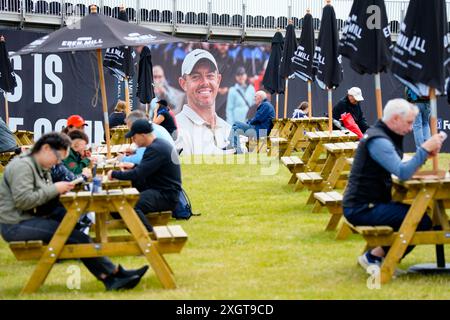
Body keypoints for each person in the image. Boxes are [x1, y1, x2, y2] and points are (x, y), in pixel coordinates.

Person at [0, 132, 148, 291]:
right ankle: (112, 275)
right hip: (15, 225)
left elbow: (39, 198)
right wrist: (55, 189)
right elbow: (23, 200)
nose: (57, 163)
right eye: (57, 159)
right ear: (46, 148)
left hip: (29, 219)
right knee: (75, 236)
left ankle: (113, 275)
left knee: (78, 234)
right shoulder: (22, 167)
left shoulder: (38, 166)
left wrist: (60, 191)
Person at [342, 99, 444, 273]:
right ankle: (375, 257)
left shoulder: (379, 135)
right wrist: (424, 150)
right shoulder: (379, 141)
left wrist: (423, 156)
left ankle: (376, 256)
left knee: (416, 215)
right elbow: (403, 173)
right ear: (396, 119)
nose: (411, 128)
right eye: (409, 122)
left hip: (363, 204)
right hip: (363, 208)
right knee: (420, 220)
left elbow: (399, 169)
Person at [107, 119, 182, 232]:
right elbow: (145, 170)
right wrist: (133, 167)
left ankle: (150, 238)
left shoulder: (156, 148)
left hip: (166, 195)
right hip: (161, 190)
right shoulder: (158, 144)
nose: (133, 140)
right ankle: (140, 237)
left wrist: (114, 173)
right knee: (118, 206)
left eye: (134, 137)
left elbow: (138, 175)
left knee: (128, 206)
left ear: (142, 135)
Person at [176, 49, 231, 155]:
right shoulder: (174, 132)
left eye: (210, 76)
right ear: (183, 84)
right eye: (195, 77)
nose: (205, 82)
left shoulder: (228, 130)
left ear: (218, 80)